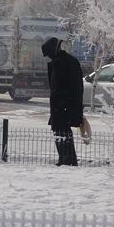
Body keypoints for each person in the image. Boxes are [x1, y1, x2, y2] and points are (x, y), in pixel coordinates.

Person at [41, 36, 83, 166]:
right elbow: (77, 86)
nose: (48, 57)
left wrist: (60, 105)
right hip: (69, 105)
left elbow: (58, 88)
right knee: (65, 133)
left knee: (61, 132)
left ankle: (66, 160)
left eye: (48, 55)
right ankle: (68, 160)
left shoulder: (59, 64)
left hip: (61, 107)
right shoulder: (71, 61)